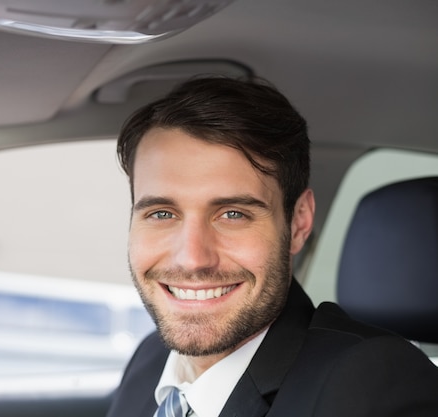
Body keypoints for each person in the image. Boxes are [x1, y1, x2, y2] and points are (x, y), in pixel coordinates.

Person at [105, 76, 438, 417]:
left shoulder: (373, 384)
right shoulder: (151, 360)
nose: (192, 258)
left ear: (298, 223)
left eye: (233, 214)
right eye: (162, 213)